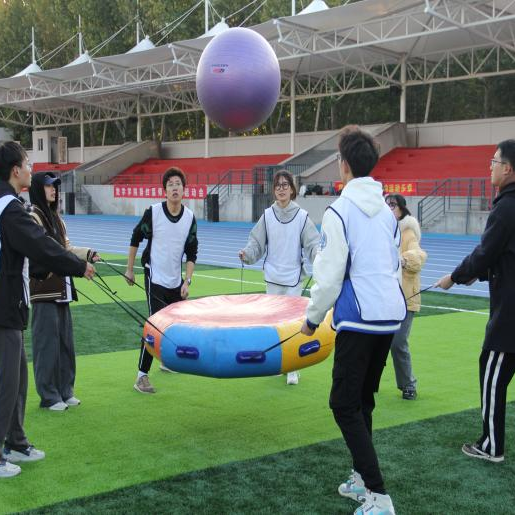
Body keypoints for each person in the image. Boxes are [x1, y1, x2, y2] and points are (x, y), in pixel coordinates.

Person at [301, 126, 405, 515]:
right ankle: (362, 479)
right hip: (388, 318)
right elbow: (393, 265)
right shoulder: (389, 214)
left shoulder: (339, 212)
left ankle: (378, 496)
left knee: (343, 404)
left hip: (359, 320)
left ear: (343, 164)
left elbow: (329, 277)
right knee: (362, 401)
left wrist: (312, 319)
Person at [0, 141, 95, 478]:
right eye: (27, 163)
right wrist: (77, 265)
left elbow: (36, 251)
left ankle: (16, 441)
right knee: (7, 382)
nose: (31, 168)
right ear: (16, 170)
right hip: (5, 307)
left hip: (11, 305)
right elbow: (41, 246)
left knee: (17, 378)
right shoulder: (11, 209)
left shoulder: (10, 206)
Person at [436, 139, 515, 463]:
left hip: (510, 313)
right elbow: (503, 256)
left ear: (508, 168)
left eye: (494, 161)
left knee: (492, 370)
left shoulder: (506, 207)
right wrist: (477, 274)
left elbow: (485, 252)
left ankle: (492, 446)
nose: (490, 167)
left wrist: (455, 276)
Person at [238, 169, 319, 385]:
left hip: (293, 279)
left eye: (285, 185)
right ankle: (277, 364)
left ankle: (292, 368)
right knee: (274, 324)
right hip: (273, 277)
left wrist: (320, 258)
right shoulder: (267, 215)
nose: (281, 189)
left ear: (292, 189)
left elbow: (313, 244)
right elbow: (256, 243)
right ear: (273, 190)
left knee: (293, 324)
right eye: (278, 186)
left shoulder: (302, 217)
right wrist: (247, 254)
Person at [28, 172, 100, 411]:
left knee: (65, 344)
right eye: (49, 186)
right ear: (38, 189)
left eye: (55, 187)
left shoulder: (56, 218)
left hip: (63, 289)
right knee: (46, 345)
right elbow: (46, 252)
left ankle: (65, 391)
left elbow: (66, 248)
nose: (54, 190)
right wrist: (77, 264)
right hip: (44, 289)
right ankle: (49, 396)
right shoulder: (33, 217)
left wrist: (87, 253)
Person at [125, 167, 198, 394]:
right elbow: (136, 237)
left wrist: (187, 281)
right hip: (154, 276)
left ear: (184, 190)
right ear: (164, 190)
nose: (175, 188)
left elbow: (192, 253)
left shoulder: (189, 218)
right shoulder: (154, 212)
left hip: (176, 280)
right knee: (154, 325)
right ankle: (141, 376)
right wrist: (129, 269)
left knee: (175, 324)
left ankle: (166, 361)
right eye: (170, 184)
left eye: (178, 184)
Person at [385, 194, 427, 400]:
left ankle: (408, 384)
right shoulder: (382, 230)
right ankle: (368, 381)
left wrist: (401, 260)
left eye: (393, 204)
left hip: (406, 297)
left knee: (398, 342)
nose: (389, 208)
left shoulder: (408, 232)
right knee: (376, 342)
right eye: (386, 204)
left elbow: (419, 256)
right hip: (383, 296)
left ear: (402, 208)